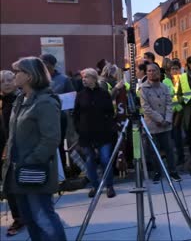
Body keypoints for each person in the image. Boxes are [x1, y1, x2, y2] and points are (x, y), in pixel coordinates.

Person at [1, 57, 67, 241]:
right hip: (19, 172)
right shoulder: (21, 100)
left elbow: (51, 139)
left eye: (18, 72)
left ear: (29, 76)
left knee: (44, 218)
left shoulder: (45, 102)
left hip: (34, 171)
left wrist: (30, 161)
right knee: (30, 220)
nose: (15, 76)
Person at [73, 68, 116, 198]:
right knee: (90, 161)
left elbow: (110, 112)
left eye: (86, 77)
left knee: (105, 159)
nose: (84, 79)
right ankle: (95, 186)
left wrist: (108, 127)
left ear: (93, 78)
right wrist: (79, 129)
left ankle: (109, 185)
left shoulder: (103, 94)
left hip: (103, 133)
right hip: (86, 135)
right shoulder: (80, 95)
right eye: (83, 77)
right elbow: (76, 114)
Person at [140, 63, 181, 182]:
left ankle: (173, 171)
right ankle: (157, 172)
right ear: (146, 73)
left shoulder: (165, 87)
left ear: (159, 72)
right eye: (149, 71)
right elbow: (146, 108)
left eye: (154, 70)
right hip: (152, 124)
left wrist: (167, 119)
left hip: (166, 124)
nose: (152, 73)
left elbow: (169, 104)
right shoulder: (143, 88)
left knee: (169, 149)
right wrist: (160, 119)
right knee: (154, 151)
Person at [0, 70, 24, 236]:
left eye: (9, 79)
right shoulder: (2, 102)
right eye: (2, 81)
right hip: (3, 150)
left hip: (15, 150)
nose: (7, 83)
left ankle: (20, 218)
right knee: (9, 188)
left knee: (14, 188)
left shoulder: (21, 100)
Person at [163, 60, 185, 165]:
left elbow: (185, 95)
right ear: (169, 70)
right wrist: (177, 99)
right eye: (173, 69)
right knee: (172, 135)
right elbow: (166, 97)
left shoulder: (183, 80)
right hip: (170, 112)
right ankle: (173, 156)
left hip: (181, 111)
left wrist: (179, 100)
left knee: (178, 135)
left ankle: (181, 156)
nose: (175, 71)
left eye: (177, 68)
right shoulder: (165, 82)